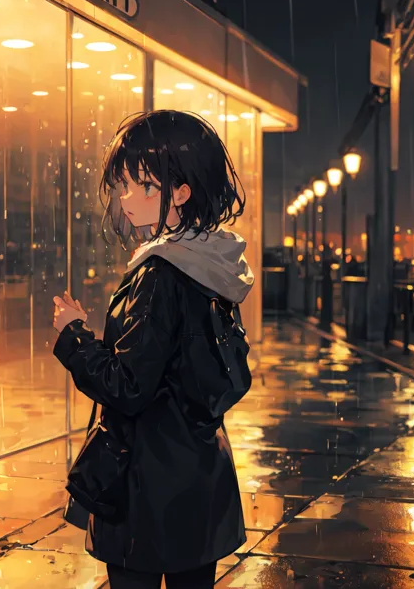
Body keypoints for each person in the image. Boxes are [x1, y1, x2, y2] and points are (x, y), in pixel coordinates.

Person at [51, 110, 254, 589]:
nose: (125, 199)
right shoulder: (211, 267)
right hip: (200, 477)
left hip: (147, 485)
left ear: (181, 192)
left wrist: (72, 336)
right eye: (125, 184)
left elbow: (130, 386)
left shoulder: (160, 274)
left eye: (142, 185)